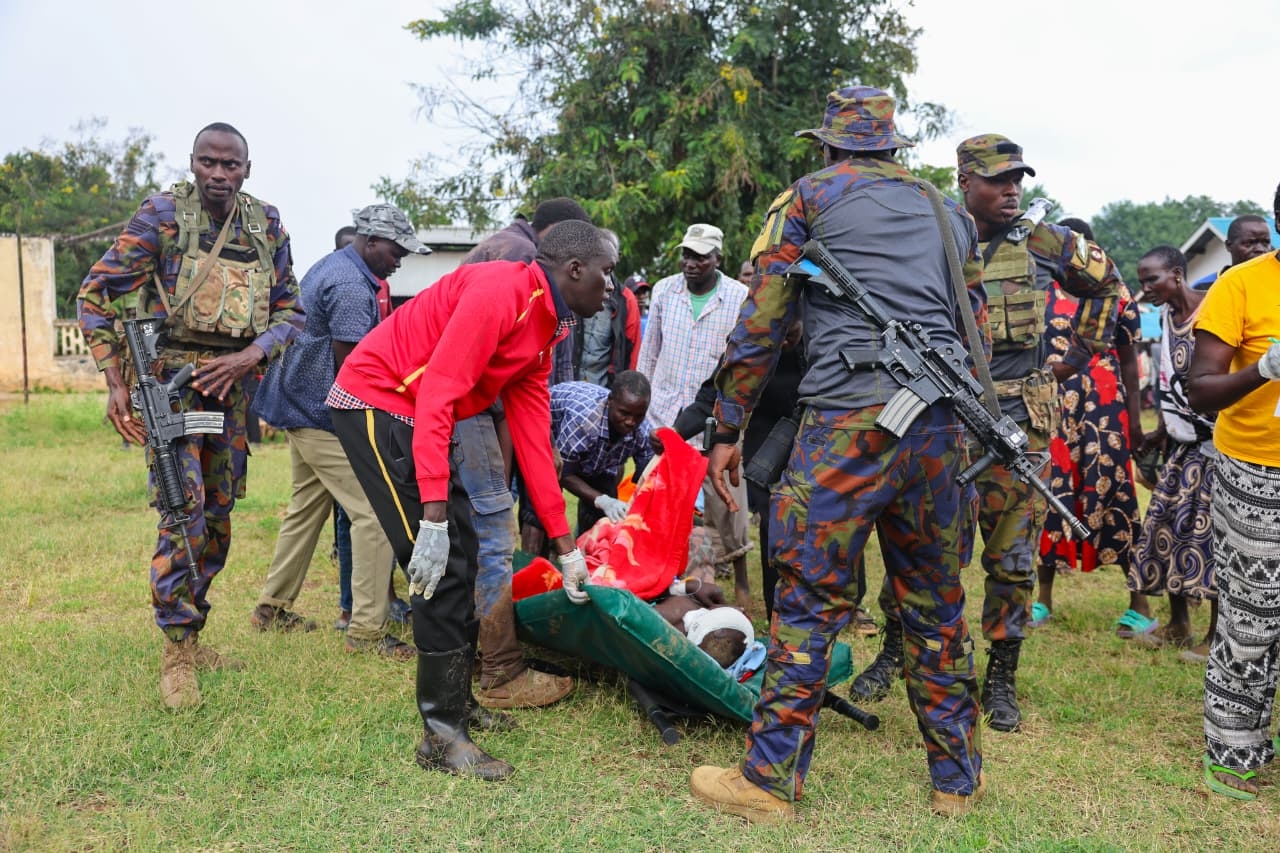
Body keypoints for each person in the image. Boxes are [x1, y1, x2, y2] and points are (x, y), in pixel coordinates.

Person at [689, 85, 987, 822]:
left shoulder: (806, 199)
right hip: (941, 425)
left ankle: (769, 781)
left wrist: (726, 427)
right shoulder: (950, 213)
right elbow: (970, 323)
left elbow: (759, 324)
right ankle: (957, 778)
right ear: (891, 144)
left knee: (812, 598)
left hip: (849, 427)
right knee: (936, 602)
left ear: (829, 145)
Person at [327, 220, 616, 780]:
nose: (611, 286)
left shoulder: (547, 324)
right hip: (376, 403)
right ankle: (440, 734)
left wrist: (564, 545)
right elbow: (438, 391)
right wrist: (432, 513)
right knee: (436, 568)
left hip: (420, 414)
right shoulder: (499, 292)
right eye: (606, 273)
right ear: (574, 270)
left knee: (464, 558)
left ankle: (458, 703)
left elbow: (533, 437)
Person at [853, 133, 1122, 735]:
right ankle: (896, 649)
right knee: (918, 539)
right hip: (939, 413)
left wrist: (1076, 356)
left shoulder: (1045, 242)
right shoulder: (932, 234)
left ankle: (1001, 675)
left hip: (1014, 422)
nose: (1011, 191)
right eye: (998, 180)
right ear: (965, 183)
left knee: (1010, 554)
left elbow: (1109, 284)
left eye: (1018, 181)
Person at [77, 122, 303, 709]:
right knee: (184, 511)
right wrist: (115, 382)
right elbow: (95, 294)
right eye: (209, 163)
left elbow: (291, 312)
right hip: (170, 386)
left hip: (230, 392)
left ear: (247, 169)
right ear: (194, 163)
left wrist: (251, 356)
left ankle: (195, 627)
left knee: (221, 517)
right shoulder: (162, 216)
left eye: (231, 166)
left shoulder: (267, 225)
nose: (219, 175)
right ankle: (177, 650)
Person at [249, 205, 427, 660]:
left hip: (296, 403)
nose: (400, 260)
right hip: (319, 412)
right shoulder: (350, 285)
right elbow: (354, 370)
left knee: (306, 507)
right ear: (370, 242)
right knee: (373, 514)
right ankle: (366, 632)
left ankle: (271, 608)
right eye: (396, 250)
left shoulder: (338, 266)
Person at [455, 198, 592, 710]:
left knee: (482, 529)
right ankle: (499, 671)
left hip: (480, 401)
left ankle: (474, 653)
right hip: (466, 403)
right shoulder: (521, 260)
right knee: (493, 531)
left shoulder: (507, 249)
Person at [1187, 182, 1280, 801]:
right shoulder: (1241, 285)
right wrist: (1265, 370)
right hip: (1256, 472)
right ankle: (1234, 747)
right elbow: (1200, 388)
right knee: (1253, 618)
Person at [1034, 217, 1144, 632]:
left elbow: (1131, 358)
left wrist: (1133, 421)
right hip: (1050, 409)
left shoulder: (1115, 291)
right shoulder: (1040, 292)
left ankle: (1139, 606)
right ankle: (1041, 600)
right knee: (1050, 493)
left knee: (1114, 492)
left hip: (1104, 407)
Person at [635, 223, 753, 602]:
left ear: (718, 258)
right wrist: (643, 404)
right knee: (663, 497)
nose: (691, 263)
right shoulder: (665, 291)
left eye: (701, 256)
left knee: (727, 500)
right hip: (667, 412)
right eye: (687, 254)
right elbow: (649, 353)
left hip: (718, 415)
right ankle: (662, 574)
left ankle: (741, 578)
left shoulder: (739, 296)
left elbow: (744, 362)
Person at [1128, 246, 1218, 660]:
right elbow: (1169, 380)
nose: (1146, 289)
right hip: (1182, 447)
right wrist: (1161, 430)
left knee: (1212, 541)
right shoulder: (1167, 315)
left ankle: (1218, 635)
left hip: (1217, 449)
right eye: (1143, 281)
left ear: (1178, 275)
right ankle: (1179, 624)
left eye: (1153, 280)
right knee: (1166, 530)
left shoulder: (1213, 310)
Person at [550, 371, 657, 533]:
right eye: (624, 413)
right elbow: (562, 472)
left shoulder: (643, 432)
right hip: (546, 434)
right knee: (541, 509)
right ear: (610, 401)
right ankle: (536, 555)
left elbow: (647, 481)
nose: (630, 422)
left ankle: (587, 550)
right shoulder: (584, 420)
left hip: (596, 458)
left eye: (638, 416)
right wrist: (602, 500)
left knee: (605, 519)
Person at [1191, 214, 1274, 290]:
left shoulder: (1275, 283)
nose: (1260, 249)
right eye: (1250, 243)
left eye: (1266, 242)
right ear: (1229, 245)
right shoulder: (1204, 287)